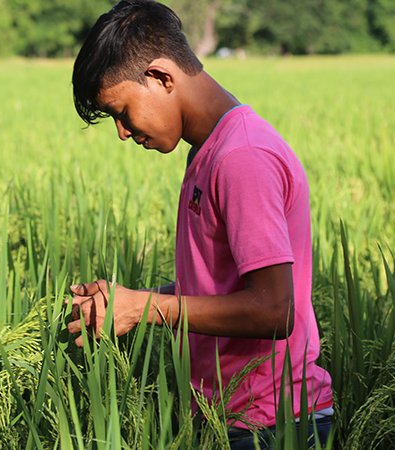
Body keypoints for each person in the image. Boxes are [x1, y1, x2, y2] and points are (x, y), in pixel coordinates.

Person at [65, 1, 334, 448]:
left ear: (161, 77)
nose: (123, 133)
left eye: (122, 112)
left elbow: (274, 310)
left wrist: (146, 308)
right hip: (232, 421)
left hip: (272, 426)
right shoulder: (208, 153)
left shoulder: (242, 157)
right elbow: (223, 291)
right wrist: (125, 304)